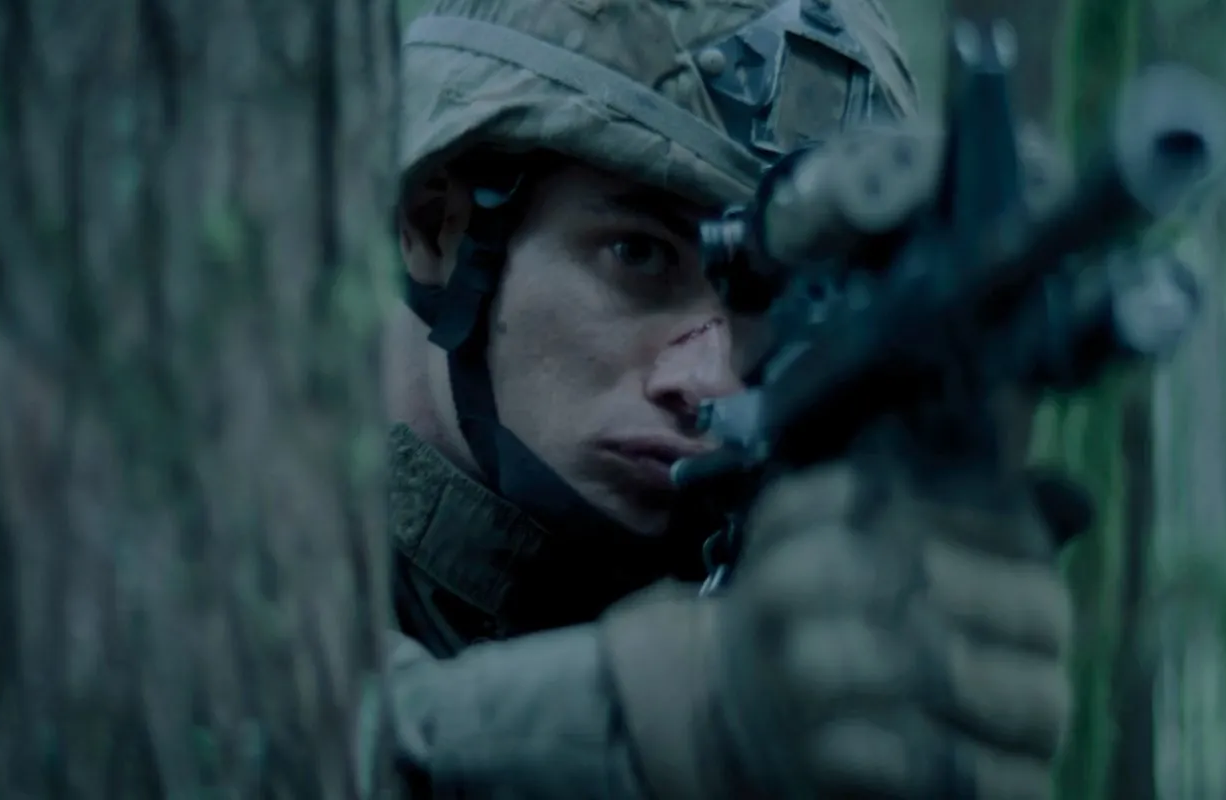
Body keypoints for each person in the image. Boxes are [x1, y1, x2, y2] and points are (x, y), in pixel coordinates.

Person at [383, 1, 1082, 797]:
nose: (710, 377)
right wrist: (691, 717)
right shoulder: (270, 503)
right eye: (638, 254)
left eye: (768, 303)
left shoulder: (762, 606)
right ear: (436, 224)